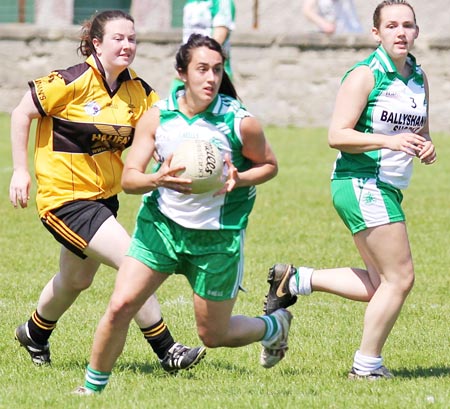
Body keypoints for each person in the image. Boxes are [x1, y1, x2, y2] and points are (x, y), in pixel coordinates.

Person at [74, 33, 292, 395]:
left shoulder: (240, 122)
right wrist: (155, 179)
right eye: (202, 69)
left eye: (218, 70)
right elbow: (129, 179)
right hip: (160, 230)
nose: (211, 78)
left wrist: (238, 180)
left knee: (213, 334)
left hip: (216, 239)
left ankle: (274, 327)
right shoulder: (158, 117)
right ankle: (90, 391)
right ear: (181, 73)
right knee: (120, 306)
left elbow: (269, 166)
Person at [9, 9, 205, 373]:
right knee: (136, 260)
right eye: (118, 38)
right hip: (64, 200)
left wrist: (187, 158)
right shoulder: (69, 81)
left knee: (76, 280)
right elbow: (22, 114)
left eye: (132, 39)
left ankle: (34, 333)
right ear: (96, 43)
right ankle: (167, 349)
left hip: (104, 200)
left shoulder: (138, 92)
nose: (127, 45)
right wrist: (21, 171)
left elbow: (163, 132)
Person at [264, 0, 436, 380]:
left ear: (416, 31)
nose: (401, 32)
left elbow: (419, 131)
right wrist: (387, 143)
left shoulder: (418, 76)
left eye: (407, 25)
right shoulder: (364, 75)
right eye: (391, 26)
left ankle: (294, 280)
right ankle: (366, 366)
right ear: (376, 33)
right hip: (361, 182)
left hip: (388, 187)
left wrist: (426, 145)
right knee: (400, 279)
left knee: (380, 285)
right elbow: (337, 135)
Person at [183, 0, 236, 79]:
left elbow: (218, 39)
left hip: (212, 73)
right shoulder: (190, 2)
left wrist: (201, 66)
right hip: (187, 69)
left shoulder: (222, 2)